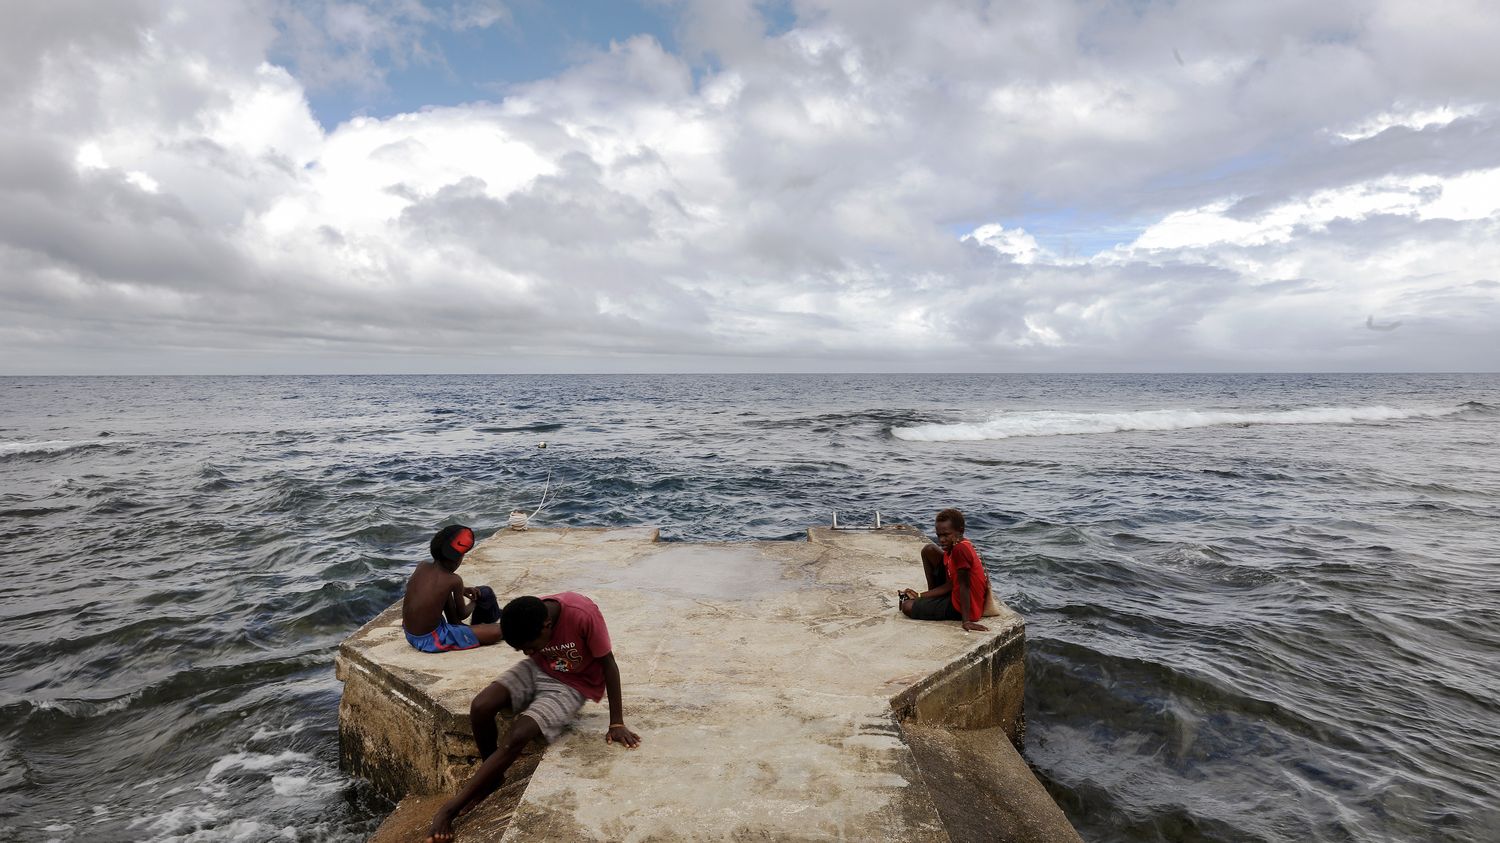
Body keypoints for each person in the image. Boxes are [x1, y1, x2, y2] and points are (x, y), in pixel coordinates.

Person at [426, 592, 640, 843]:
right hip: (540, 668)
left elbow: (609, 664)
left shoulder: (582, 615)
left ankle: (450, 810)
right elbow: (520, 645)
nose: (527, 652)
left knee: (518, 734)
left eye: (529, 646)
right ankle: (493, 777)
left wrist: (616, 722)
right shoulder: (528, 615)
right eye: (521, 649)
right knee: (481, 706)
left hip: (573, 684)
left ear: (547, 626)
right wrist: (533, 654)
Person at [401, 524, 503, 652]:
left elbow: (435, 588)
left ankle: (471, 627)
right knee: (498, 631)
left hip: (410, 633)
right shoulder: (454, 580)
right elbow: (462, 613)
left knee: (454, 601)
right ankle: (486, 622)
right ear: (456, 560)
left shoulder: (422, 566)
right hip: (431, 639)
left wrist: (463, 590)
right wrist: (474, 601)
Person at [899, 508, 991, 632]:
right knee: (929, 550)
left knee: (907, 606)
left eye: (946, 535)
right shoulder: (954, 547)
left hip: (962, 607)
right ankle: (929, 600)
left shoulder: (960, 550)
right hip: (955, 593)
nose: (941, 540)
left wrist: (966, 621)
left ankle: (928, 602)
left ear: (960, 531)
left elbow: (964, 586)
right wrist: (921, 596)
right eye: (939, 535)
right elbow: (952, 583)